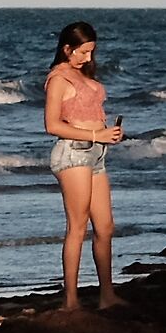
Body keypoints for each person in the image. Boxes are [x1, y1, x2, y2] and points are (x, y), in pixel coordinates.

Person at [43, 21, 125, 311]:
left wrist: (108, 134)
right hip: (74, 153)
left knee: (105, 227)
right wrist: (95, 134)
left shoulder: (83, 75)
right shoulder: (58, 79)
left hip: (97, 153)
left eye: (91, 52)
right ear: (67, 49)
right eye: (83, 52)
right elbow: (52, 125)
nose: (88, 58)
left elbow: (91, 113)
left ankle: (107, 296)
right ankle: (71, 301)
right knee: (77, 227)